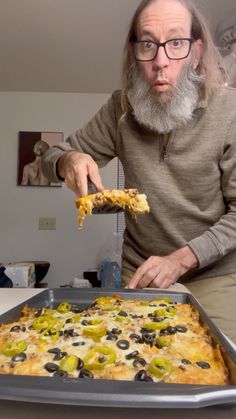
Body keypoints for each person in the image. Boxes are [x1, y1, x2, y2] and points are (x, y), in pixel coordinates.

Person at [42, 0, 236, 343]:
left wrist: (180, 260)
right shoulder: (120, 107)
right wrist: (68, 160)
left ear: (196, 51)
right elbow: (53, 154)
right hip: (140, 270)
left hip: (214, 276)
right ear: (134, 53)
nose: (161, 62)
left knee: (219, 374)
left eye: (176, 43)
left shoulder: (231, 111)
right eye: (148, 44)